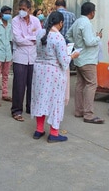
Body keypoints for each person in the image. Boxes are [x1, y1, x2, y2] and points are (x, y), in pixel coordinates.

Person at [31, 11, 80, 143]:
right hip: (53, 73)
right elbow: (64, 61)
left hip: (39, 71)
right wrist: (73, 56)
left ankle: (39, 129)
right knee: (55, 101)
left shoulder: (40, 33)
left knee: (40, 98)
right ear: (61, 23)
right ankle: (54, 133)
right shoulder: (58, 38)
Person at [66, 2, 104, 124]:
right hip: (88, 59)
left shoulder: (78, 21)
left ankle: (79, 110)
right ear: (92, 12)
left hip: (79, 58)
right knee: (91, 84)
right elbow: (89, 42)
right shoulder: (86, 23)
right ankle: (88, 114)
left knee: (80, 84)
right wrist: (98, 38)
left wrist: (77, 46)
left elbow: (68, 34)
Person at [10, 0, 41, 122]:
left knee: (32, 84)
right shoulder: (15, 21)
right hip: (20, 57)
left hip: (33, 57)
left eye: (24, 9)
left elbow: (39, 36)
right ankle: (16, 110)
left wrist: (28, 38)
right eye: (20, 9)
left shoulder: (36, 20)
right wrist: (31, 39)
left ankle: (30, 107)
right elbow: (18, 39)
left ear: (29, 10)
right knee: (19, 85)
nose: (21, 11)